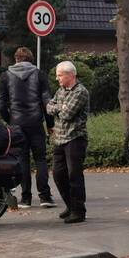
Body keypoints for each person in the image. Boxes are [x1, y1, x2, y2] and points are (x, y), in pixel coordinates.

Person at [0, 47, 56, 209]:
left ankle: (26, 198)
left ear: (16, 59)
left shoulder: (6, 76)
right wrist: (50, 124)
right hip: (36, 123)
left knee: (22, 160)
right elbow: (46, 101)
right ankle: (45, 196)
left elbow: (0, 103)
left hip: (17, 124)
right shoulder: (39, 74)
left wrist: (9, 120)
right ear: (30, 59)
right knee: (41, 159)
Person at [46, 61, 89, 223]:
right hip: (59, 139)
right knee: (58, 174)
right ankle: (70, 205)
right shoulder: (60, 90)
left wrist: (58, 108)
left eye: (60, 75)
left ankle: (78, 211)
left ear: (70, 75)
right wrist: (59, 107)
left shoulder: (81, 92)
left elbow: (67, 114)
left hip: (75, 139)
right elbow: (49, 107)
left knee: (74, 175)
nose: (57, 79)